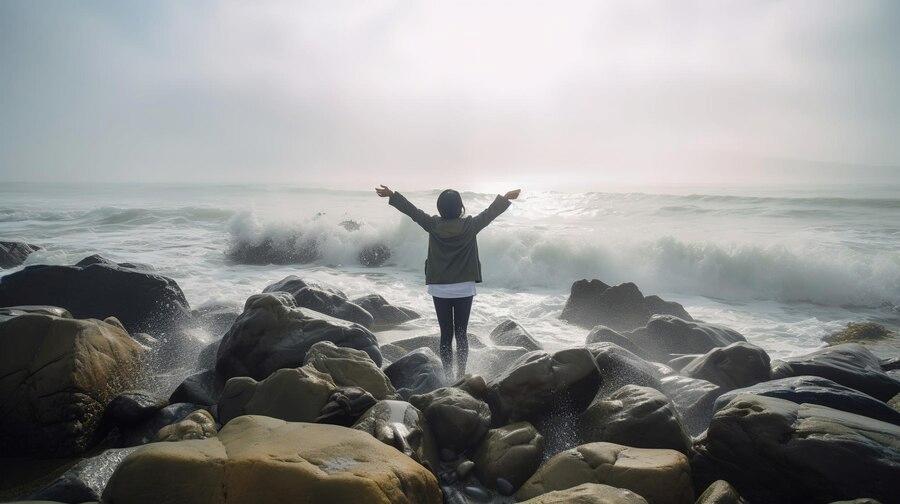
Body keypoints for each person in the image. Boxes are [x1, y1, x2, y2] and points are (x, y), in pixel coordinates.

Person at [376, 185, 520, 380]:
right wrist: (505, 198)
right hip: (464, 287)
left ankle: (448, 374)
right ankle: (461, 374)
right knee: (461, 334)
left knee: (446, 334)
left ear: (440, 208)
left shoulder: (433, 224)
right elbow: (490, 213)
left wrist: (393, 196)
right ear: (460, 207)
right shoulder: (470, 225)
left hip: (440, 288)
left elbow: (413, 212)